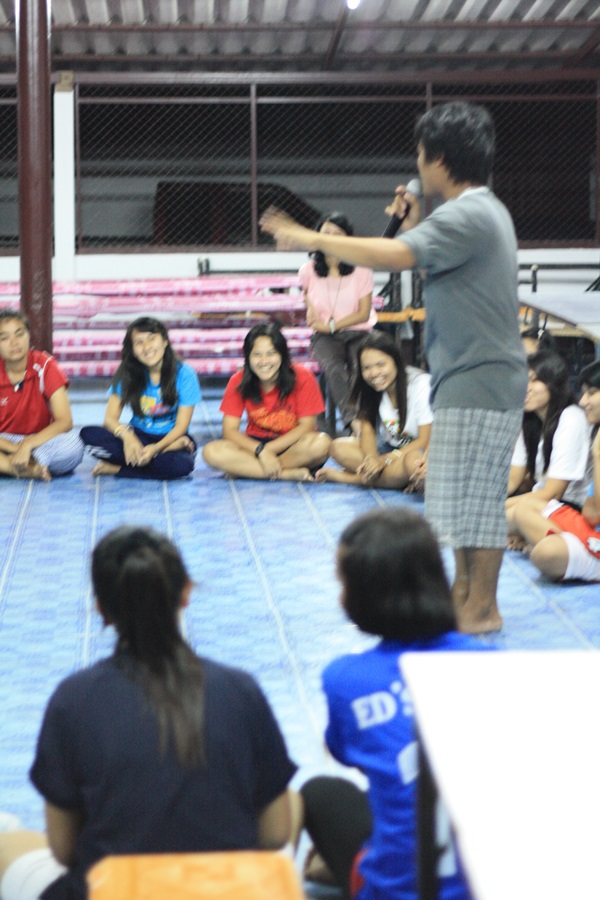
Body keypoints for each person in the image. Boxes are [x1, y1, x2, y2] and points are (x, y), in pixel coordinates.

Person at [261, 101, 527, 634]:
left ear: (440, 159)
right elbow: (426, 255)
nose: (418, 164)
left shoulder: (469, 213)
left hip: (481, 377)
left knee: (475, 500)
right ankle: (464, 596)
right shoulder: (474, 212)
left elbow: (395, 256)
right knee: (459, 498)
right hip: (470, 376)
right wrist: (415, 223)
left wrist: (312, 238)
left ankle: (481, 608)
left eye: (421, 154)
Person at [0, 526, 296, 900]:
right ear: (186, 593)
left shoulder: (73, 700)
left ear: (102, 610)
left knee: (8, 845)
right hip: (228, 890)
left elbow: (64, 849)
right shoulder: (241, 690)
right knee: (293, 799)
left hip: (114, 890)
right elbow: (276, 833)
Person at [293, 506, 489, 900]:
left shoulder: (346, 679)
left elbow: (352, 754)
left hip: (394, 892)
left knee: (321, 792)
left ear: (361, 596)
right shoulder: (492, 665)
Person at [202, 322, 331, 481]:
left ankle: (248, 470)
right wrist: (260, 450)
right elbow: (229, 431)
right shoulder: (238, 380)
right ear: (248, 357)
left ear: (282, 355)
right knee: (211, 451)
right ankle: (285, 474)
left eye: (271, 354)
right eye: (257, 355)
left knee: (322, 443)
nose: (264, 361)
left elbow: (307, 427)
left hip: (293, 444)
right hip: (255, 445)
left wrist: (266, 451)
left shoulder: (303, 376)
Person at [508, 360, 600, 581]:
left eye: (591, 393)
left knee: (545, 552)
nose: (583, 401)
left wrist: (598, 455)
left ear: (553, 383)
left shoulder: (572, 418)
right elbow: (591, 514)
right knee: (522, 513)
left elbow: (557, 495)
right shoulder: (530, 423)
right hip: (585, 526)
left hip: (571, 510)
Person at [80, 317, 201, 479]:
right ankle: (156, 457)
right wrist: (128, 437)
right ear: (133, 350)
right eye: (139, 342)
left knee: (182, 465)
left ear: (165, 342)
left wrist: (156, 448)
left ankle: (119, 469)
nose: (146, 347)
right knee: (88, 435)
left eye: (152, 339)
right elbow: (110, 419)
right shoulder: (127, 372)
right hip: (139, 436)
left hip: (171, 437)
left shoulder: (185, 374)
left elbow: (181, 426)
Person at [315, 331, 432, 489]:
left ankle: (348, 478)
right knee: (338, 447)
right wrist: (371, 459)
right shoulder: (369, 387)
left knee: (413, 463)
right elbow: (367, 431)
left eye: (381, 365)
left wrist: (385, 460)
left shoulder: (421, 385)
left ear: (396, 361)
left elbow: (424, 441)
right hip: (389, 449)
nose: (374, 373)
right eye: (367, 368)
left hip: (419, 452)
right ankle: (398, 479)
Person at [299, 212, 376, 434]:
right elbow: (306, 294)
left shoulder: (361, 269)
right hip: (324, 336)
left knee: (361, 366)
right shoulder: (308, 270)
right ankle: (354, 423)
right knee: (334, 368)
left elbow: (363, 314)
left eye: (337, 233)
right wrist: (312, 311)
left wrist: (332, 325)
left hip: (358, 332)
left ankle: (369, 420)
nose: (331, 238)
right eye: (326, 233)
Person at [0, 309, 83, 481]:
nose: (14, 343)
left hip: (41, 440)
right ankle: (21, 468)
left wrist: (28, 444)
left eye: (19, 334)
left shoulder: (45, 365)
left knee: (74, 446)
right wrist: (15, 448)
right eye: (4, 338)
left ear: (29, 336)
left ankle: (17, 464)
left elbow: (65, 421)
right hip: (4, 440)